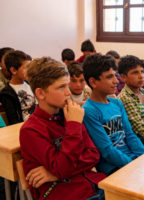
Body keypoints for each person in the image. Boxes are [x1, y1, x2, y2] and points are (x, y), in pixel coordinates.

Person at [20, 57, 106, 200]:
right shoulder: (31, 130)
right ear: (41, 93)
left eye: (67, 86)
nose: (68, 92)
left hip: (94, 186)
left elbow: (93, 155)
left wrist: (54, 173)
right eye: (61, 87)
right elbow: (62, 167)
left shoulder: (69, 114)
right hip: (68, 194)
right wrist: (74, 126)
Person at [82, 54, 144, 176]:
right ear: (93, 82)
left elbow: (130, 135)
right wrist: (133, 165)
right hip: (113, 167)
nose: (116, 81)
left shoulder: (116, 103)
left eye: (115, 75)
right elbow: (107, 150)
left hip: (131, 159)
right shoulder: (89, 111)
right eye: (109, 77)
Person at [0, 50, 36, 125]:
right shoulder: (7, 93)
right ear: (13, 70)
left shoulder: (30, 84)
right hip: (25, 127)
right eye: (26, 68)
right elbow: (13, 121)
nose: (29, 71)